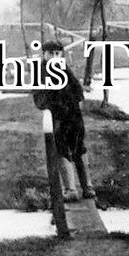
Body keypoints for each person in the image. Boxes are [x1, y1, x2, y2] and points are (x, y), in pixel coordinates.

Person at [32, 40, 95, 201]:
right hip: (57, 116)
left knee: (79, 147)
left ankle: (87, 187)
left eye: (57, 53)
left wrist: (77, 103)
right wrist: (50, 107)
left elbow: (78, 90)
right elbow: (39, 96)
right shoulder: (41, 72)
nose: (54, 57)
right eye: (50, 53)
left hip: (73, 116)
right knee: (62, 149)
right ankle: (71, 189)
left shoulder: (64, 69)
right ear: (44, 55)